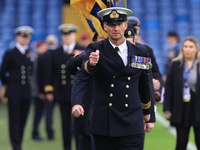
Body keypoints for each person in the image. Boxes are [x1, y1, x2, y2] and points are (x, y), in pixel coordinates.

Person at [71, 7, 151, 150]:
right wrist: (77, 102)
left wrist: (149, 113)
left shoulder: (141, 51)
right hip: (105, 122)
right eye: (112, 25)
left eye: (119, 24)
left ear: (125, 25)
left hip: (132, 121)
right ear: (104, 27)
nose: (116, 28)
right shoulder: (95, 48)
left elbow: (144, 83)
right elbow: (82, 76)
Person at [44, 24, 86, 150]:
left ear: (74, 35)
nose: (67, 37)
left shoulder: (82, 49)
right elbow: (50, 72)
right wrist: (49, 89)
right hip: (62, 92)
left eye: (69, 34)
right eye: (64, 35)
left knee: (79, 124)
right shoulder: (56, 53)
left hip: (79, 93)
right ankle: (66, 147)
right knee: (65, 124)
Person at [66, 32, 104, 150]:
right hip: (90, 108)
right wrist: (88, 59)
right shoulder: (89, 54)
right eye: (101, 38)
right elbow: (70, 65)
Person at [0, 26, 34, 150]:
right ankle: (16, 147)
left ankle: (18, 144)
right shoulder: (10, 53)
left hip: (26, 92)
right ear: (17, 37)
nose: (25, 39)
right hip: (14, 91)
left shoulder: (30, 53)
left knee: (23, 120)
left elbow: (31, 71)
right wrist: (6, 84)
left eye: (27, 37)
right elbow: (3, 72)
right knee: (14, 120)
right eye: (22, 37)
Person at [164, 36, 200, 150]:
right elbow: (169, 88)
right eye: (185, 46)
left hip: (198, 107)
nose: (188, 49)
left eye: (190, 47)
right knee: (181, 142)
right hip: (181, 107)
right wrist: (167, 109)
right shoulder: (175, 65)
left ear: (196, 49)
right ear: (182, 48)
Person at [37, 35, 59, 140]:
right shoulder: (59, 54)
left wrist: (42, 91)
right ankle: (72, 132)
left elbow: (39, 76)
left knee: (48, 114)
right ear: (56, 43)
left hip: (47, 89)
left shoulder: (42, 56)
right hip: (61, 89)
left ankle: (50, 134)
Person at [31, 41, 48, 141]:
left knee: (40, 113)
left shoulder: (41, 59)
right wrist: (39, 92)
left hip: (40, 91)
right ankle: (35, 134)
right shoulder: (36, 59)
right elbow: (35, 78)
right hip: (37, 93)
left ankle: (36, 133)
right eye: (42, 47)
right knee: (38, 113)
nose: (44, 49)